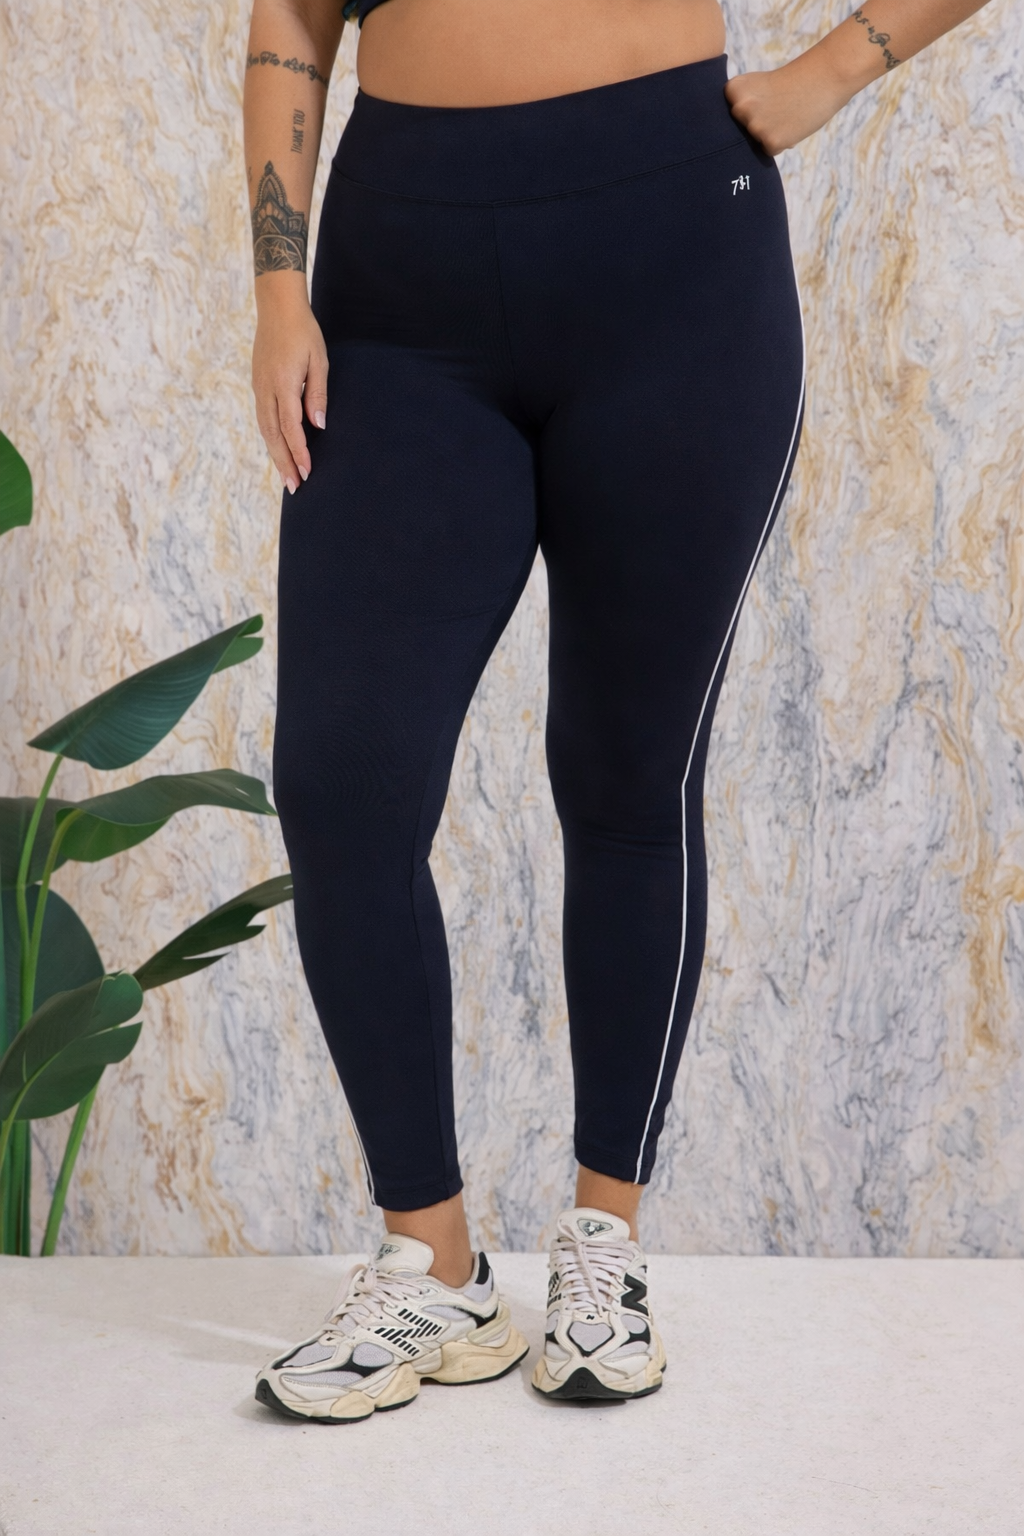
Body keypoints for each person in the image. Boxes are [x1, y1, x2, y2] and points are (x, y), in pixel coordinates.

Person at [244, 0, 992, 1421]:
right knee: (343, 786)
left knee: (626, 773)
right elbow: (290, 14)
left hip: (673, 265)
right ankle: (435, 1263)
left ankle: (605, 1242)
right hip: (398, 289)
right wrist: (280, 288)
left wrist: (837, 69)